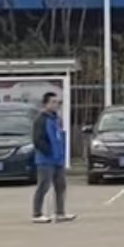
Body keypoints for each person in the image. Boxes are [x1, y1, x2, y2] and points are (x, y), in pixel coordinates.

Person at [32, 91, 74, 224]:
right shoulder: (40, 120)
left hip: (58, 159)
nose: (56, 105)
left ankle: (60, 212)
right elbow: (37, 140)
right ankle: (37, 213)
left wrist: (60, 154)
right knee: (43, 186)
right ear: (46, 104)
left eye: (57, 102)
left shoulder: (56, 119)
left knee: (61, 186)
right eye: (53, 102)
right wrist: (48, 152)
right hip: (45, 160)